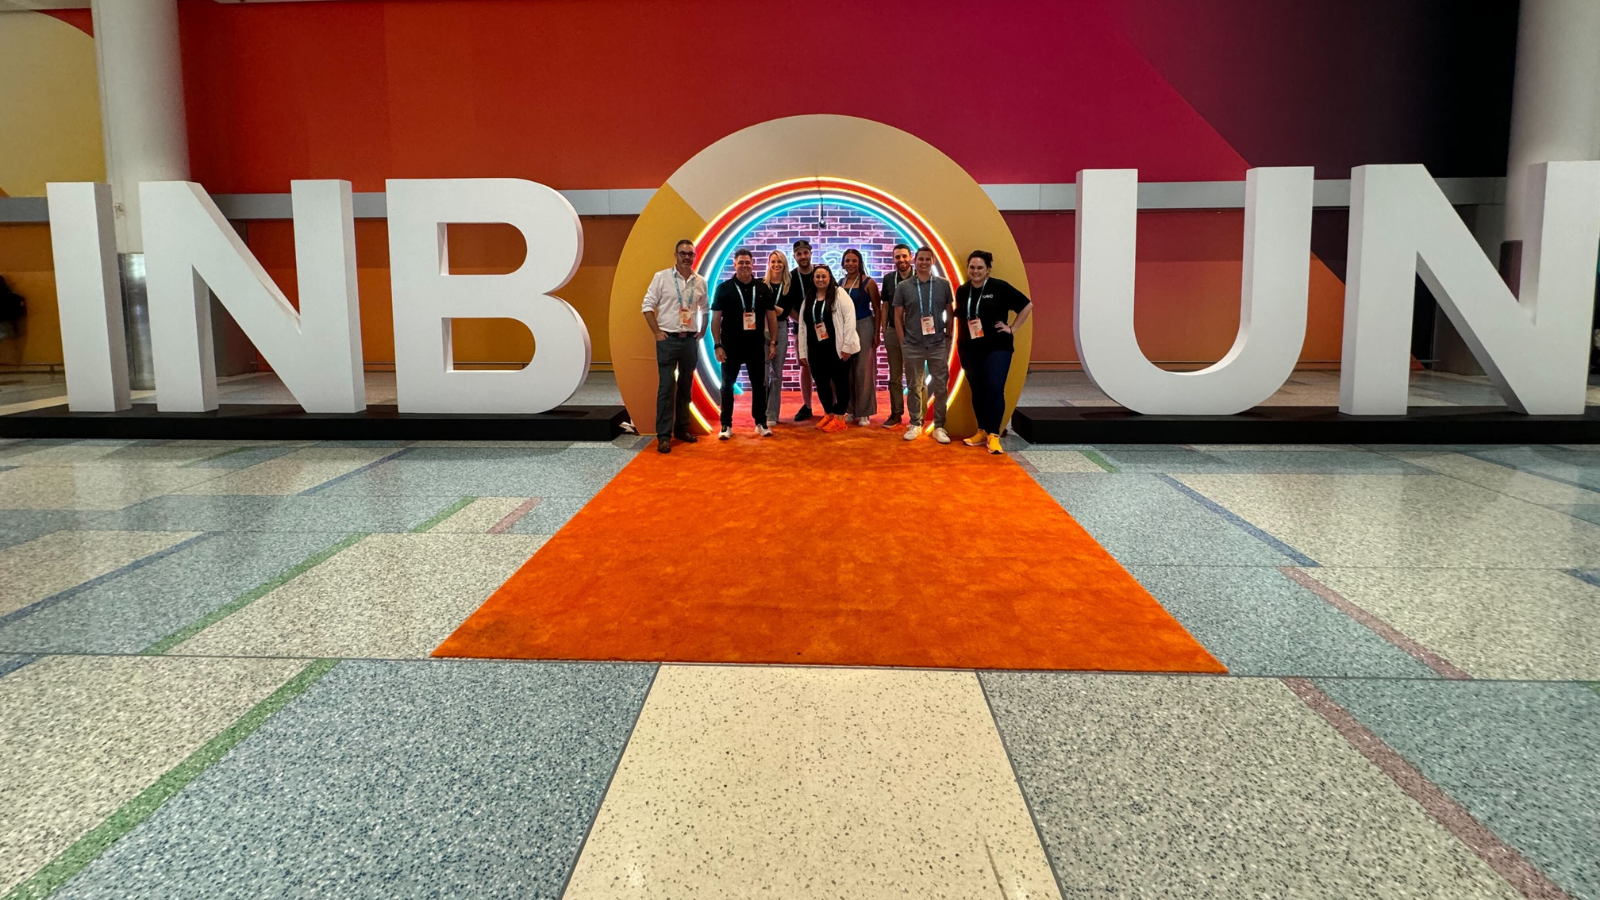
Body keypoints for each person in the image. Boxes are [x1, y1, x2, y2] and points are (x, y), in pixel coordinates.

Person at [955, 250, 1033, 454]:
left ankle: (994, 434)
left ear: (988, 269)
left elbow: (1027, 305)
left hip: (997, 347)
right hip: (970, 349)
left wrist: (1012, 328)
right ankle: (981, 431)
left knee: (995, 388)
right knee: (978, 390)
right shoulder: (963, 291)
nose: (975, 271)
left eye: (980, 267)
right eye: (972, 267)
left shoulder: (999, 287)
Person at [642, 239, 709, 453]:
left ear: (694, 256)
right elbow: (647, 306)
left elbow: (705, 308)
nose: (686, 257)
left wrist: (703, 330)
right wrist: (656, 332)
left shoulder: (700, 281)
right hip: (668, 340)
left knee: (686, 388)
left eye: (690, 254)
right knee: (666, 388)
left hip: (689, 340)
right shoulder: (661, 278)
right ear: (676, 255)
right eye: (683, 253)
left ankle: (681, 429)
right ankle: (663, 436)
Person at [710, 248, 779, 439]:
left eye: (747, 262)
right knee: (727, 386)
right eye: (741, 262)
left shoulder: (763, 288)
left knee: (759, 385)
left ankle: (760, 422)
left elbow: (772, 318)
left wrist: (773, 342)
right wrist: (717, 345)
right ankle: (726, 425)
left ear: (753, 264)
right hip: (730, 346)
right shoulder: (724, 288)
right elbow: (715, 319)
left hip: (756, 345)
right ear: (734, 264)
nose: (744, 265)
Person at [894, 247, 955, 443]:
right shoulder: (904, 286)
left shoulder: (943, 285)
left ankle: (939, 426)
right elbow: (897, 315)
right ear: (915, 261)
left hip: (937, 343)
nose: (924, 262)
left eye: (927, 259)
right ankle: (915, 423)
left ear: (933, 261)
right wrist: (903, 340)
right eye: (920, 259)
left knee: (941, 386)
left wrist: (949, 335)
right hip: (913, 344)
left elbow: (950, 311)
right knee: (914, 385)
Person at [796, 265, 859, 433]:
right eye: (817, 277)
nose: (820, 280)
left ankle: (839, 417)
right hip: (816, 349)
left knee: (840, 382)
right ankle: (829, 414)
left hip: (837, 348)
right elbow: (802, 326)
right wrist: (803, 352)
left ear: (830, 277)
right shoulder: (809, 297)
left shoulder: (839, 295)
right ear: (813, 279)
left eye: (824, 276)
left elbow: (850, 320)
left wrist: (847, 346)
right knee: (822, 383)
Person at [840, 248, 881, 426]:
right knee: (846, 369)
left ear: (860, 262)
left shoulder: (869, 283)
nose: (850, 264)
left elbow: (878, 309)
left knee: (863, 370)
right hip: (845, 328)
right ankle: (850, 409)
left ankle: (864, 412)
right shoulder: (840, 283)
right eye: (847, 261)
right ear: (842, 263)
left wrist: (877, 332)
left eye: (854, 261)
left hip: (864, 325)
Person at [878, 243, 914, 428]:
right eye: (897, 257)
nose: (901, 260)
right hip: (893, 330)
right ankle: (896, 413)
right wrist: (884, 328)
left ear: (911, 257)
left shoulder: (920, 278)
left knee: (916, 376)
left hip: (915, 332)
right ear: (894, 259)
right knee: (895, 376)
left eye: (904, 256)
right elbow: (885, 305)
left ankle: (918, 416)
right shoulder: (888, 279)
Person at [762, 250, 795, 428]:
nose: (776, 265)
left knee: (776, 374)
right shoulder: (761, 284)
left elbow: (784, 312)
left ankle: (772, 413)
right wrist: (771, 309)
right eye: (773, 261)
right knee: (762, 374)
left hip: (780, 330)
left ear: (784, 264)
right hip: (762, 330)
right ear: (769, 263)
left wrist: (766, 306)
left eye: (779, 262)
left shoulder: (789, 287)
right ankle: (762, 411)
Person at [790, 240, 819, 422]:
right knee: (805, 366)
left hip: (823, 328)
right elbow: (787, 306)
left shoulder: (821, 273)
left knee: (827, 367)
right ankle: (807, 406)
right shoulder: (791, 277)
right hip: (800, 328)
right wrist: (803, 323)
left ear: (810, 253)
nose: (803, 257)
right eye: (799, 254)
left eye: (805, 253)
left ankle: (831, 406)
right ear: (795, 256)